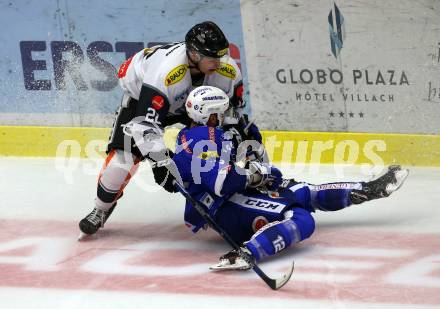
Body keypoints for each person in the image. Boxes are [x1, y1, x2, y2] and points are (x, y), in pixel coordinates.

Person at [172, 85, 409, 270]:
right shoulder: (200, 138)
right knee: (302, 219)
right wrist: (259, 174)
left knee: (303, 191)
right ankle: (248, 252)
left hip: (236, 195)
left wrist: (251, 147)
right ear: (209, 116)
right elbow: (224, 182)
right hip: (223, 207)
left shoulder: (208, 134)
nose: (228, 117)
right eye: (222, 113)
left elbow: (253, 163)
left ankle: (368, 188)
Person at [78, 21, 259, 238]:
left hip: (197, 103)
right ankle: (101, 208)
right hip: (142, 99)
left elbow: (233, 114)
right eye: (212, 57)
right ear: (194, 54)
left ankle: (229, 196)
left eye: (220, 56)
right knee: (123, 158)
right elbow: (145, 125)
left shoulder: (227, 71)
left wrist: (237, 134)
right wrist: (161, 163)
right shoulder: (165, 73)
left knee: (221, 142)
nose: (218, 63)